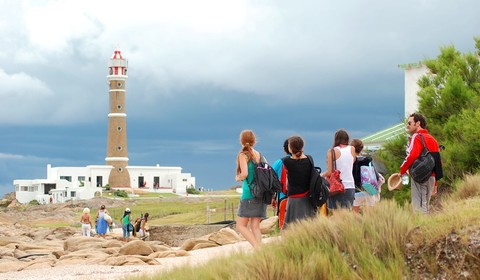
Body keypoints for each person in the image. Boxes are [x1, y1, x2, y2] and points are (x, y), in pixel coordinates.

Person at [400, 113, 442, 214]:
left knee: (418, 207)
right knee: (425, 206)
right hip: (431, 177)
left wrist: (402, 170)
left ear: (418, 123)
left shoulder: (416, 136)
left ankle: (421, 228)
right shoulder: (433, 139)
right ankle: (426, 227)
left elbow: (412, 155)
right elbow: (438, 162)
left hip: (420, 176)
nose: (407, 125)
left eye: (410, 123)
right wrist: (435, 183)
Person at [235, 129, 267, 248]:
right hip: (260, 193)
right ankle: (260, 250)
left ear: (241, 141)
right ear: (254, 141)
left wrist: (237, 177)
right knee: (255, 226)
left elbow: (245, 174)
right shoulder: (258, 154)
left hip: (249, 193)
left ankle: (257, 248)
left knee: (240, 226)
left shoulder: (243, 155)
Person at [282, 136, 316, 228]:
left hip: (293, 198)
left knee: (291, 227)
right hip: (308, 197)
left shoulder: (286, 161)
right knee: (308, 226)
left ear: (290, 147)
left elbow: (285, 180)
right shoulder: (309, 159)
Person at [321, 129, 356, 211]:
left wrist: (321, 175)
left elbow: (329, 172)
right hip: (350, 185)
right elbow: (352, 162)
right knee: (347, 214)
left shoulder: (332, 151)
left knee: (337, 215)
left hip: (337, 188)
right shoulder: (352, 149)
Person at [351, 139, 384, 213]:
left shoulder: (351, 162)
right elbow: (376, 176)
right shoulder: (367, 161)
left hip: (355, 191)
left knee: (354, 214)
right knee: (370, 215)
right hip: (368, 190)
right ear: (361, 149)